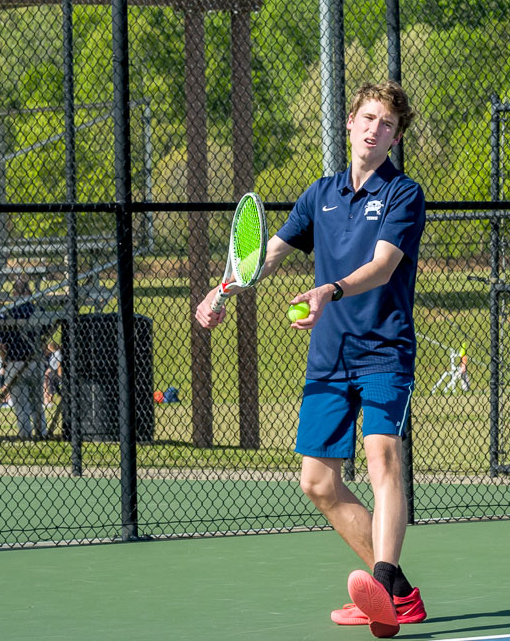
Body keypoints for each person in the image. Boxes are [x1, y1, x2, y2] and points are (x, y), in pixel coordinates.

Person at [196, 81, 427, 637]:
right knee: (318, 483)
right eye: (368, 118)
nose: (375, 129)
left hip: (383, 349)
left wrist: (329, 291)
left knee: (383, 461)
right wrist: (221, 290)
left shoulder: (403, 195)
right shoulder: (318, 194)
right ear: (349, 124)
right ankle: (395, 595)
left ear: (395, 139)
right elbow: (266, 254)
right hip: (328, 358)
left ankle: (384, 578)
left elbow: (382, 265)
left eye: (387, 125)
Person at [0, 278, 43, 439]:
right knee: (37, 403)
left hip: (14, 361)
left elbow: (1, 344)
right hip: (35, 361)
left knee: (20, 405)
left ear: (14, 293)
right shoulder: (37, 310)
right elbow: (45, 336)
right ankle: (41, 433)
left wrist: (4, 362)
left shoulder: (7, 312)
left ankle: (25, 435)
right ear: (29, 292)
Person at [43, 340, 62, 405]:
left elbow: (59, 364)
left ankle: (50, 401)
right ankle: (50, 399)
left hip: (56, 372)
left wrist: (59, 373)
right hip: (52, 371)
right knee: (50, 382)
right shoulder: (54, 353)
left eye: (48, 348)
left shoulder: (58, 353)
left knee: (51, 383)